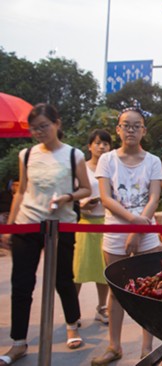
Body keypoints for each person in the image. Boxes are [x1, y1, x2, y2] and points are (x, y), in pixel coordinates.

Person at [0, 103, 91, 366]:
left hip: (61, 225)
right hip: (28, 224)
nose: (39, 132)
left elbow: (85, 189)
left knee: (63, 279)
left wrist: (68, 197)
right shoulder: (26, 155)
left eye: (44, 126)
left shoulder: (74, 155)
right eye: (34, 128)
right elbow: (21, 190)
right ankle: (18, 342)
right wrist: (14, 223)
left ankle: (72, 324)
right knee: (21, 284)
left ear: (57, 124)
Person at [91, 102, 162, 366]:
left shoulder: (153, 161)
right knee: (117, 291)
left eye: (136, 126)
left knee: (149, 291)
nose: (130, 130)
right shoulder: (107, 159)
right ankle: (114, 346)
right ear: (118, 129)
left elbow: (154, 198)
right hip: (114, 235)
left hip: (147, 236)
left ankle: (146, 348)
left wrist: (136, 230)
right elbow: (105, 198)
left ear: (143, 130)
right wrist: (134, 222)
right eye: (126, 126)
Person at [73, 129, 112, 325]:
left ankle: (101, 308)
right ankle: (73, 312)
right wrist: (82, 205)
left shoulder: (112, 168)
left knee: (102, 270)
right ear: (89, 146)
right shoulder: (82, 168)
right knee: (78, 269)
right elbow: (74, 194)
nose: (101, 146)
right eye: (97, 143)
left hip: (106, 222)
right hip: (85, 224)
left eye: (105, 143)